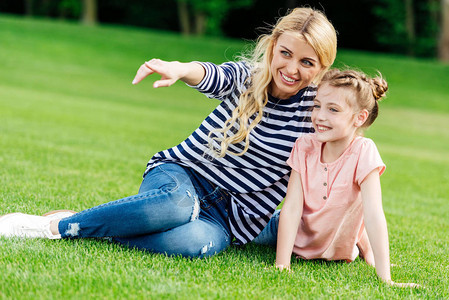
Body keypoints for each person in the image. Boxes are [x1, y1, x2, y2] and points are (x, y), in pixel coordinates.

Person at [0, 8, 337, 258]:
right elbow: (209, 74)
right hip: (184, 175)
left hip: (227, 218)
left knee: (189, 245)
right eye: (286, 54)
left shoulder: (317, 114)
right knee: (176, 206)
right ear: (273, 46)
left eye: (307, 62)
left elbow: (346, 166)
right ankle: (51, 228)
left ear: (323, 67)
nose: (292, 69)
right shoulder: (249, 77)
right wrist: (178, 69)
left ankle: (85, 222)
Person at [268, 68, 419, 287]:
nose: (320, 116)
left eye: (333, 109)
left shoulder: (364, 152)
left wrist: (384, 276)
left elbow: (372, 214)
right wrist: (282, 264)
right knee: (244, 233)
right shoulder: (304, 147)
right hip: (284, 231)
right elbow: (291, 208)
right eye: (317, 105)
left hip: (331, 245)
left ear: (360, 118)